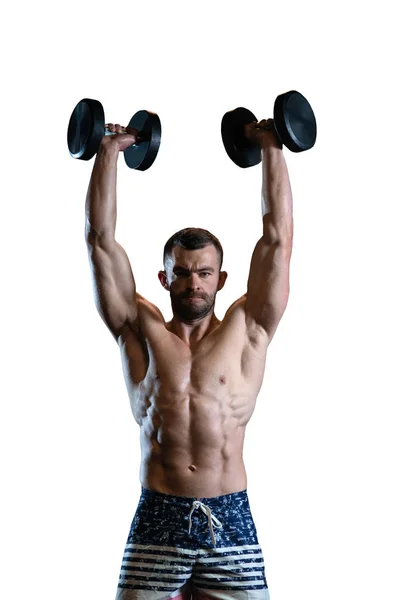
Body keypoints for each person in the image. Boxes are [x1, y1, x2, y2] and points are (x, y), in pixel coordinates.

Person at [84, 118, 293, 600]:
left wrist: (270, 145)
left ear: (221, 279)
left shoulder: (249, 328)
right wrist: (109, 151)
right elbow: (100, 240)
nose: (193, 283)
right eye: (182, 273)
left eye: (204, 273)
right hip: (160, 515)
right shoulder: (140, 329)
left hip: (230, 518)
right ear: (165, 278)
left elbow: (278, 240)